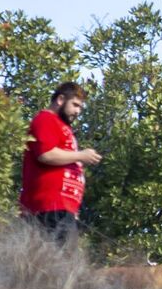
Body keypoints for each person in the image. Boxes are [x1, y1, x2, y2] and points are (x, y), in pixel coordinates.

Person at [20, 81, 101, 245]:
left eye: (80, 108)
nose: (78, 111)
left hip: (62, 209)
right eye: (75, 105)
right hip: (49, 208)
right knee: (62, 265)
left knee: (65, 263)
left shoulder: (62, 126)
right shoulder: (45, 119)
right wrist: (80, 155)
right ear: (60, 99)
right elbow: (45, 154)